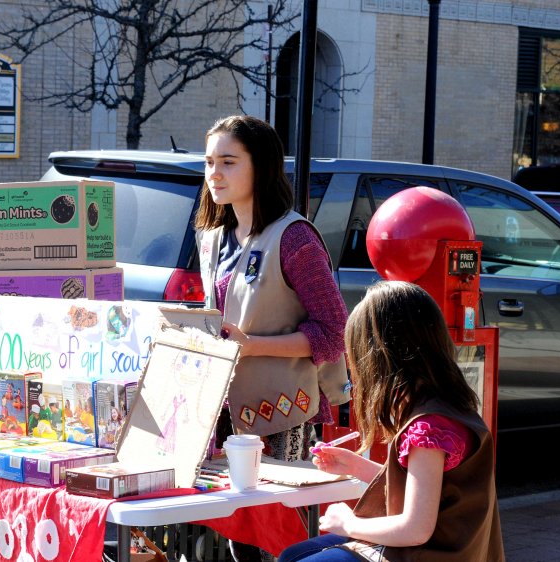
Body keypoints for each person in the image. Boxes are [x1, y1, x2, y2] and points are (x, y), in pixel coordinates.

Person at [195, 115, 349, 560]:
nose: (214, 175)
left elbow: (334, 332)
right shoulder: (212, 237)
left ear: (260, 167)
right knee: (239, 535)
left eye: (228, 162)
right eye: (208, 163)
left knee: (282, 538)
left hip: (283, 412)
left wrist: (253, 345)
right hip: (222, 411)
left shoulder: (294, 237)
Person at [278, 281, 504, 562]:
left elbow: (415, 529)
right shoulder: (447, 407)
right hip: (446, 549)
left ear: (379, 358)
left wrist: (347, 523)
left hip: (424, 552)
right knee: (293, 554)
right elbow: (425, 488)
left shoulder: (428, 428)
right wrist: (355, 466)